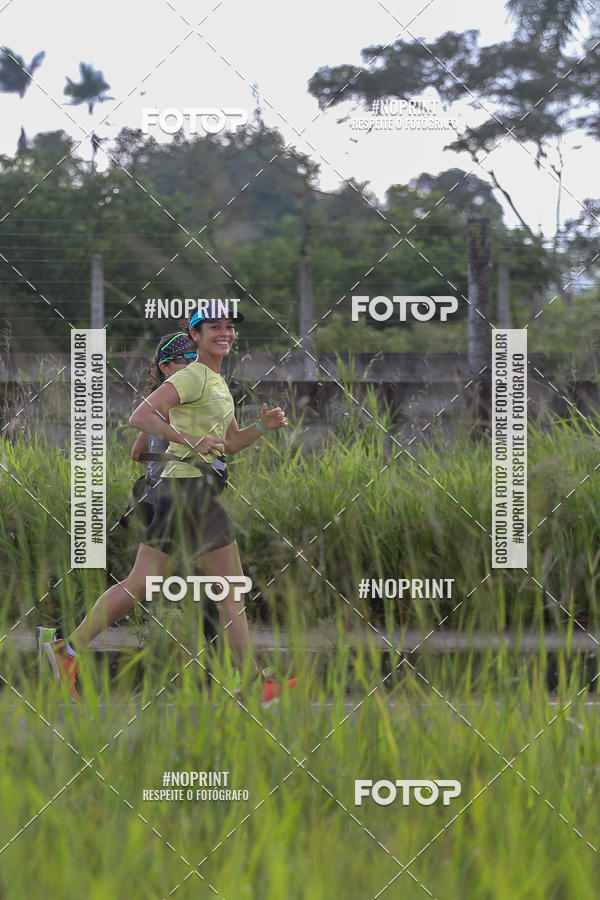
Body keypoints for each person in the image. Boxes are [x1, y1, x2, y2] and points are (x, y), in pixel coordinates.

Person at [39, 312, 295, 704]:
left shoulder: (218, 382)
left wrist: (261, 428)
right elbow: (140, 416)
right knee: (229, 592)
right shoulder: (191, 376)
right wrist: (188, 439)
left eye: (229, 327)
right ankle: (254, 682)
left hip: (186, 492)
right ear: (195, 335)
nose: (224, 333)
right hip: (190, 491)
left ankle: (66, 649)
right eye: (214, 328)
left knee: (143, 583)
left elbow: (229, 444)